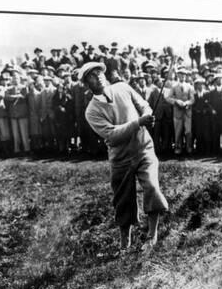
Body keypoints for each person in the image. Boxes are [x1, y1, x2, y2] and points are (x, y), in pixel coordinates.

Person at [80, 61, 168, 249]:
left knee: (152, 187)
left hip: (144, 148)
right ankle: (124, 244)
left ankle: (152, 236)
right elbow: (111, 134)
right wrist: (138, 122)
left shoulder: (122, 87)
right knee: (123, 200)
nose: (99, 77)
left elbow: (144, 105)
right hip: (121, 158)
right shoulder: (91, 111)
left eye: (99, 73)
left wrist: (147, 115)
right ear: (87, 85)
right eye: (92, 76)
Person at [166, 67, 195, 155]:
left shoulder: (189, 86)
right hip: (177, 112)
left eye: (184, 74)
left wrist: (187, 103)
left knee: (188, 131)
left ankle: (188, 147)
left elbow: (192, 99)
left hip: (187, 112)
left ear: (186, 76)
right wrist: (176, 101)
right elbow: (168, 98)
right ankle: (178, 148)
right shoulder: (174, 86)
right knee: (178, 131)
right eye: (180, 74)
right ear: (178, 75)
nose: (182, 76)